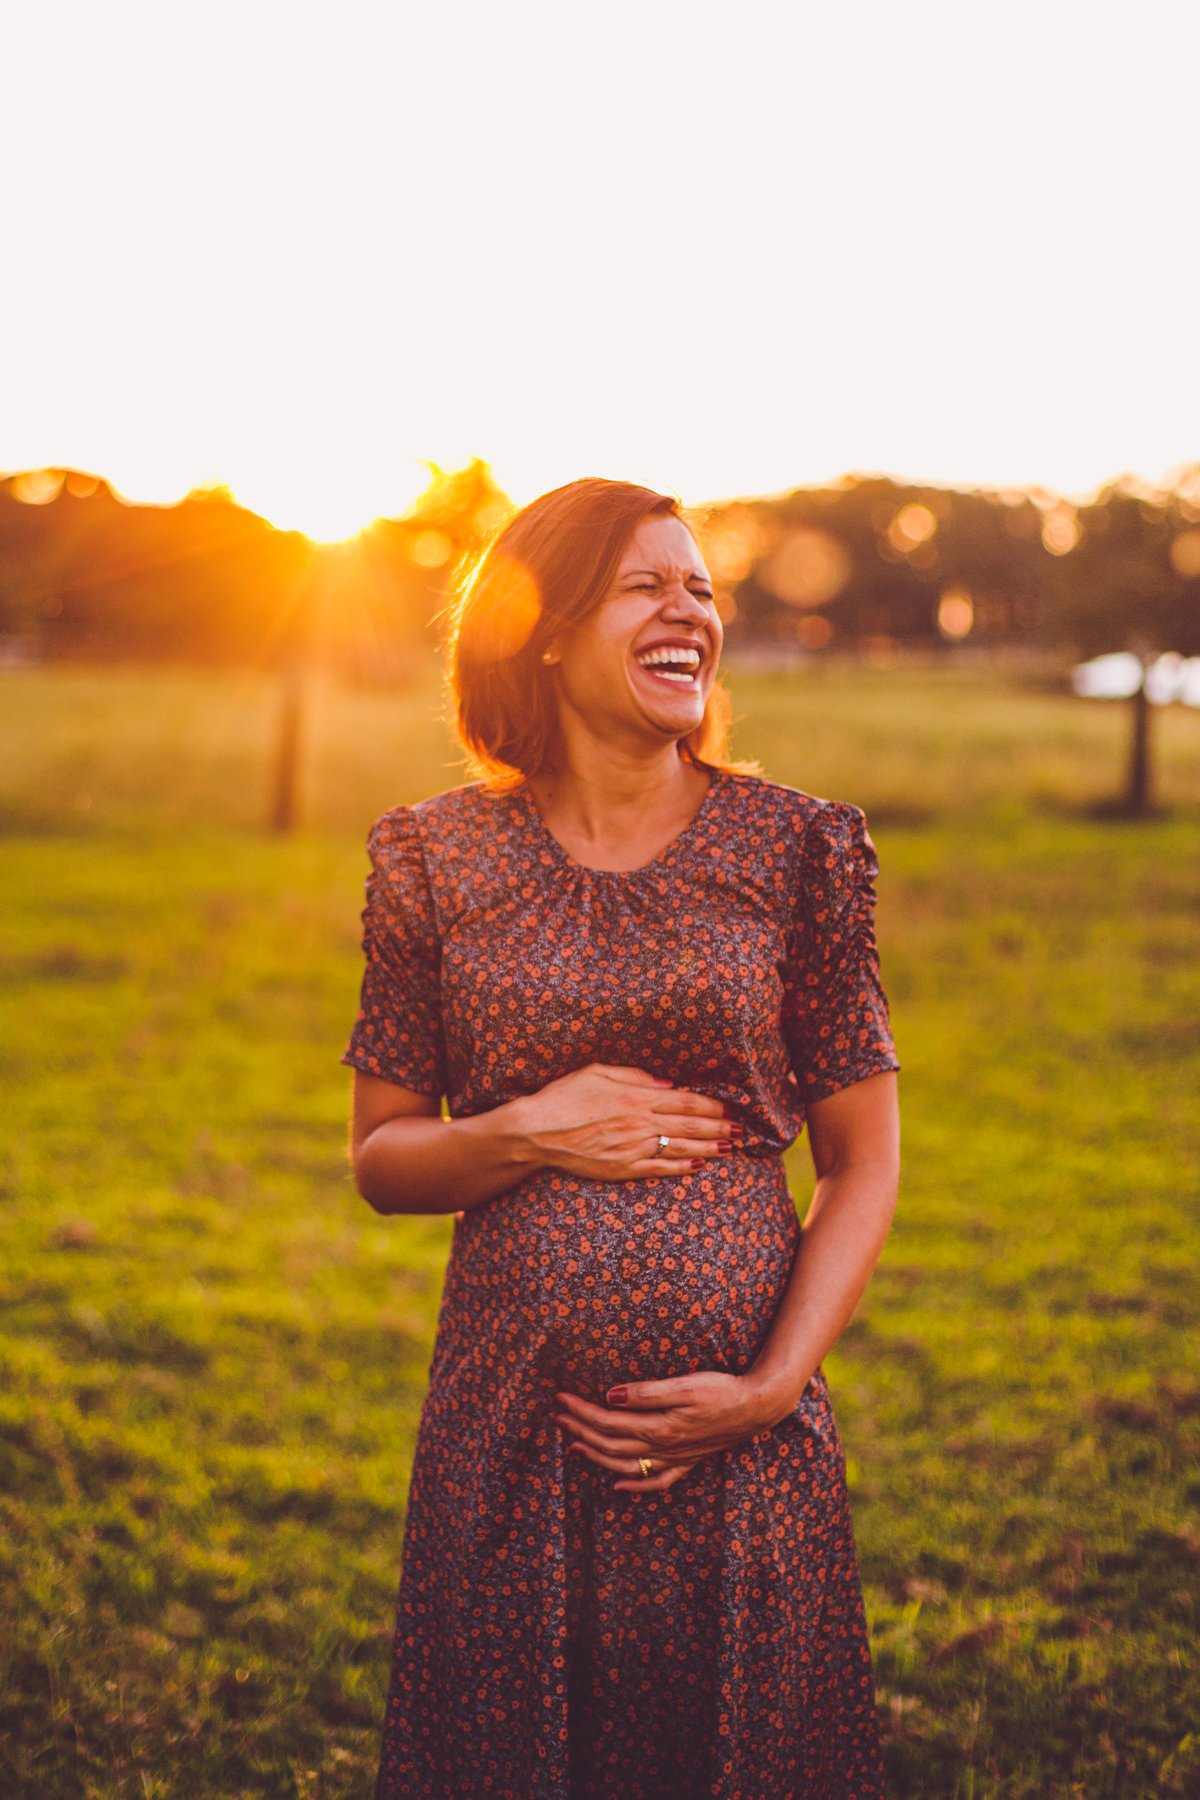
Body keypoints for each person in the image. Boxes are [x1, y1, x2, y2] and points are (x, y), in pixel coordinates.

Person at [343, 478, 901, 1800]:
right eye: (647, 584)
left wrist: (767, 1392)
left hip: (739, 1441)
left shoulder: (797, 849)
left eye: (702, 587)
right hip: (511, 1429)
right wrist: (529, 1131)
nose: (689, 612)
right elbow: (380, 1157)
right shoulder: (433, 859)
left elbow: (865, 1161)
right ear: (542, 627)